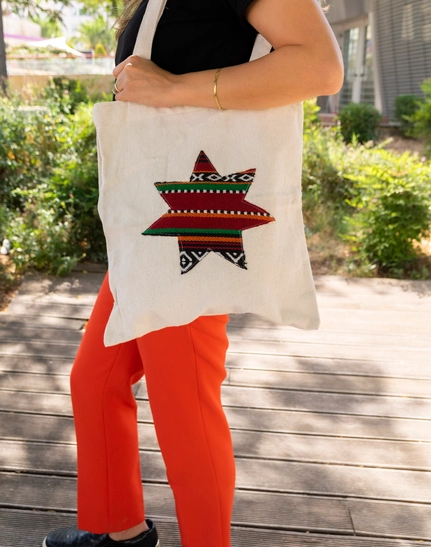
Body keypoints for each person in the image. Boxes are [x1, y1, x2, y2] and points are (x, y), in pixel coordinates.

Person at [43, 1, 343, 547]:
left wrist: (174, 90)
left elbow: (321, 67)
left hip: (190, 226)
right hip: (155, 228)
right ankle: (120, 530)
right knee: (97, 379)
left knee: (184, 406)